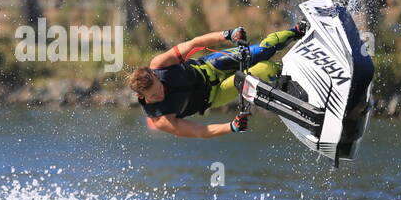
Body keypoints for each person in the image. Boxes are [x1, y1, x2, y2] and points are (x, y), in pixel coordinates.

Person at [128, 23, 305, 138]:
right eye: (154, 96)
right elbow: (199, 131)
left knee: (262, 51)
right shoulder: (161, 118)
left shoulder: (159, 65)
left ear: (154, 75)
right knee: (265, 69)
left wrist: (228, 34)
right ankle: (301, 71)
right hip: (216, 95)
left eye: (159, 87)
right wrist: (231, 126)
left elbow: (194, 43)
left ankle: (299, 30)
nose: (160, 94)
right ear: (141, 96)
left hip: (212, 66)